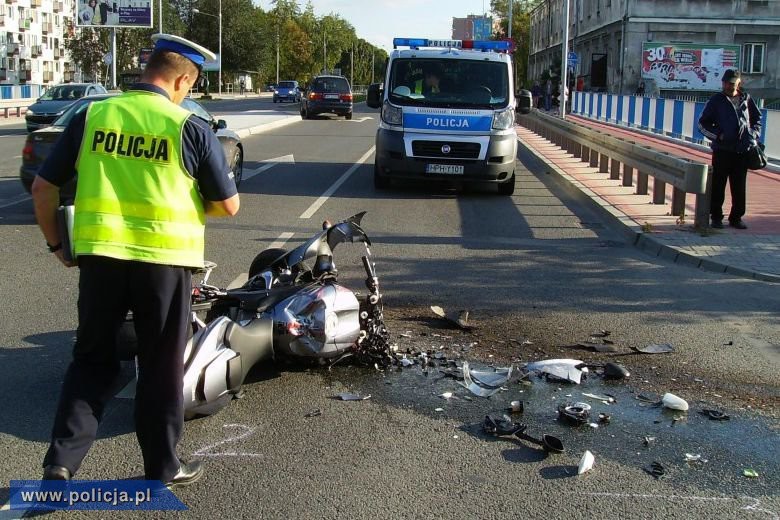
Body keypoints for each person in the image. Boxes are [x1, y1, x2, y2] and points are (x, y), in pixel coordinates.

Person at [31, 33, 240, 488]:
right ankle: (163, 467)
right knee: (161, 366)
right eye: (191, 85)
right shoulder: (188, 127)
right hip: (164, 265)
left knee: (91, 360)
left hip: (101, 259)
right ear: (182, 79)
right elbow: (228, 206)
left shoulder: (93, 114)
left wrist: (57, 246)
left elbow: (43, 188)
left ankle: (61, 463)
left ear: (147, 70)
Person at [697, 69, 761, 229]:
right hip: (722, 151)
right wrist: (718, 135)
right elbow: (702, 124)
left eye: (732, 83)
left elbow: (757, 119)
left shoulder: (746, 99)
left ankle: (736, 217)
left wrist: (753, 134)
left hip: (742, 150)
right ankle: (716, 217)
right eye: (726, 83)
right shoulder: (716, 101)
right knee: (718, 185)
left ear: (739, 83)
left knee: (739, 186)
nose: (728, 86)